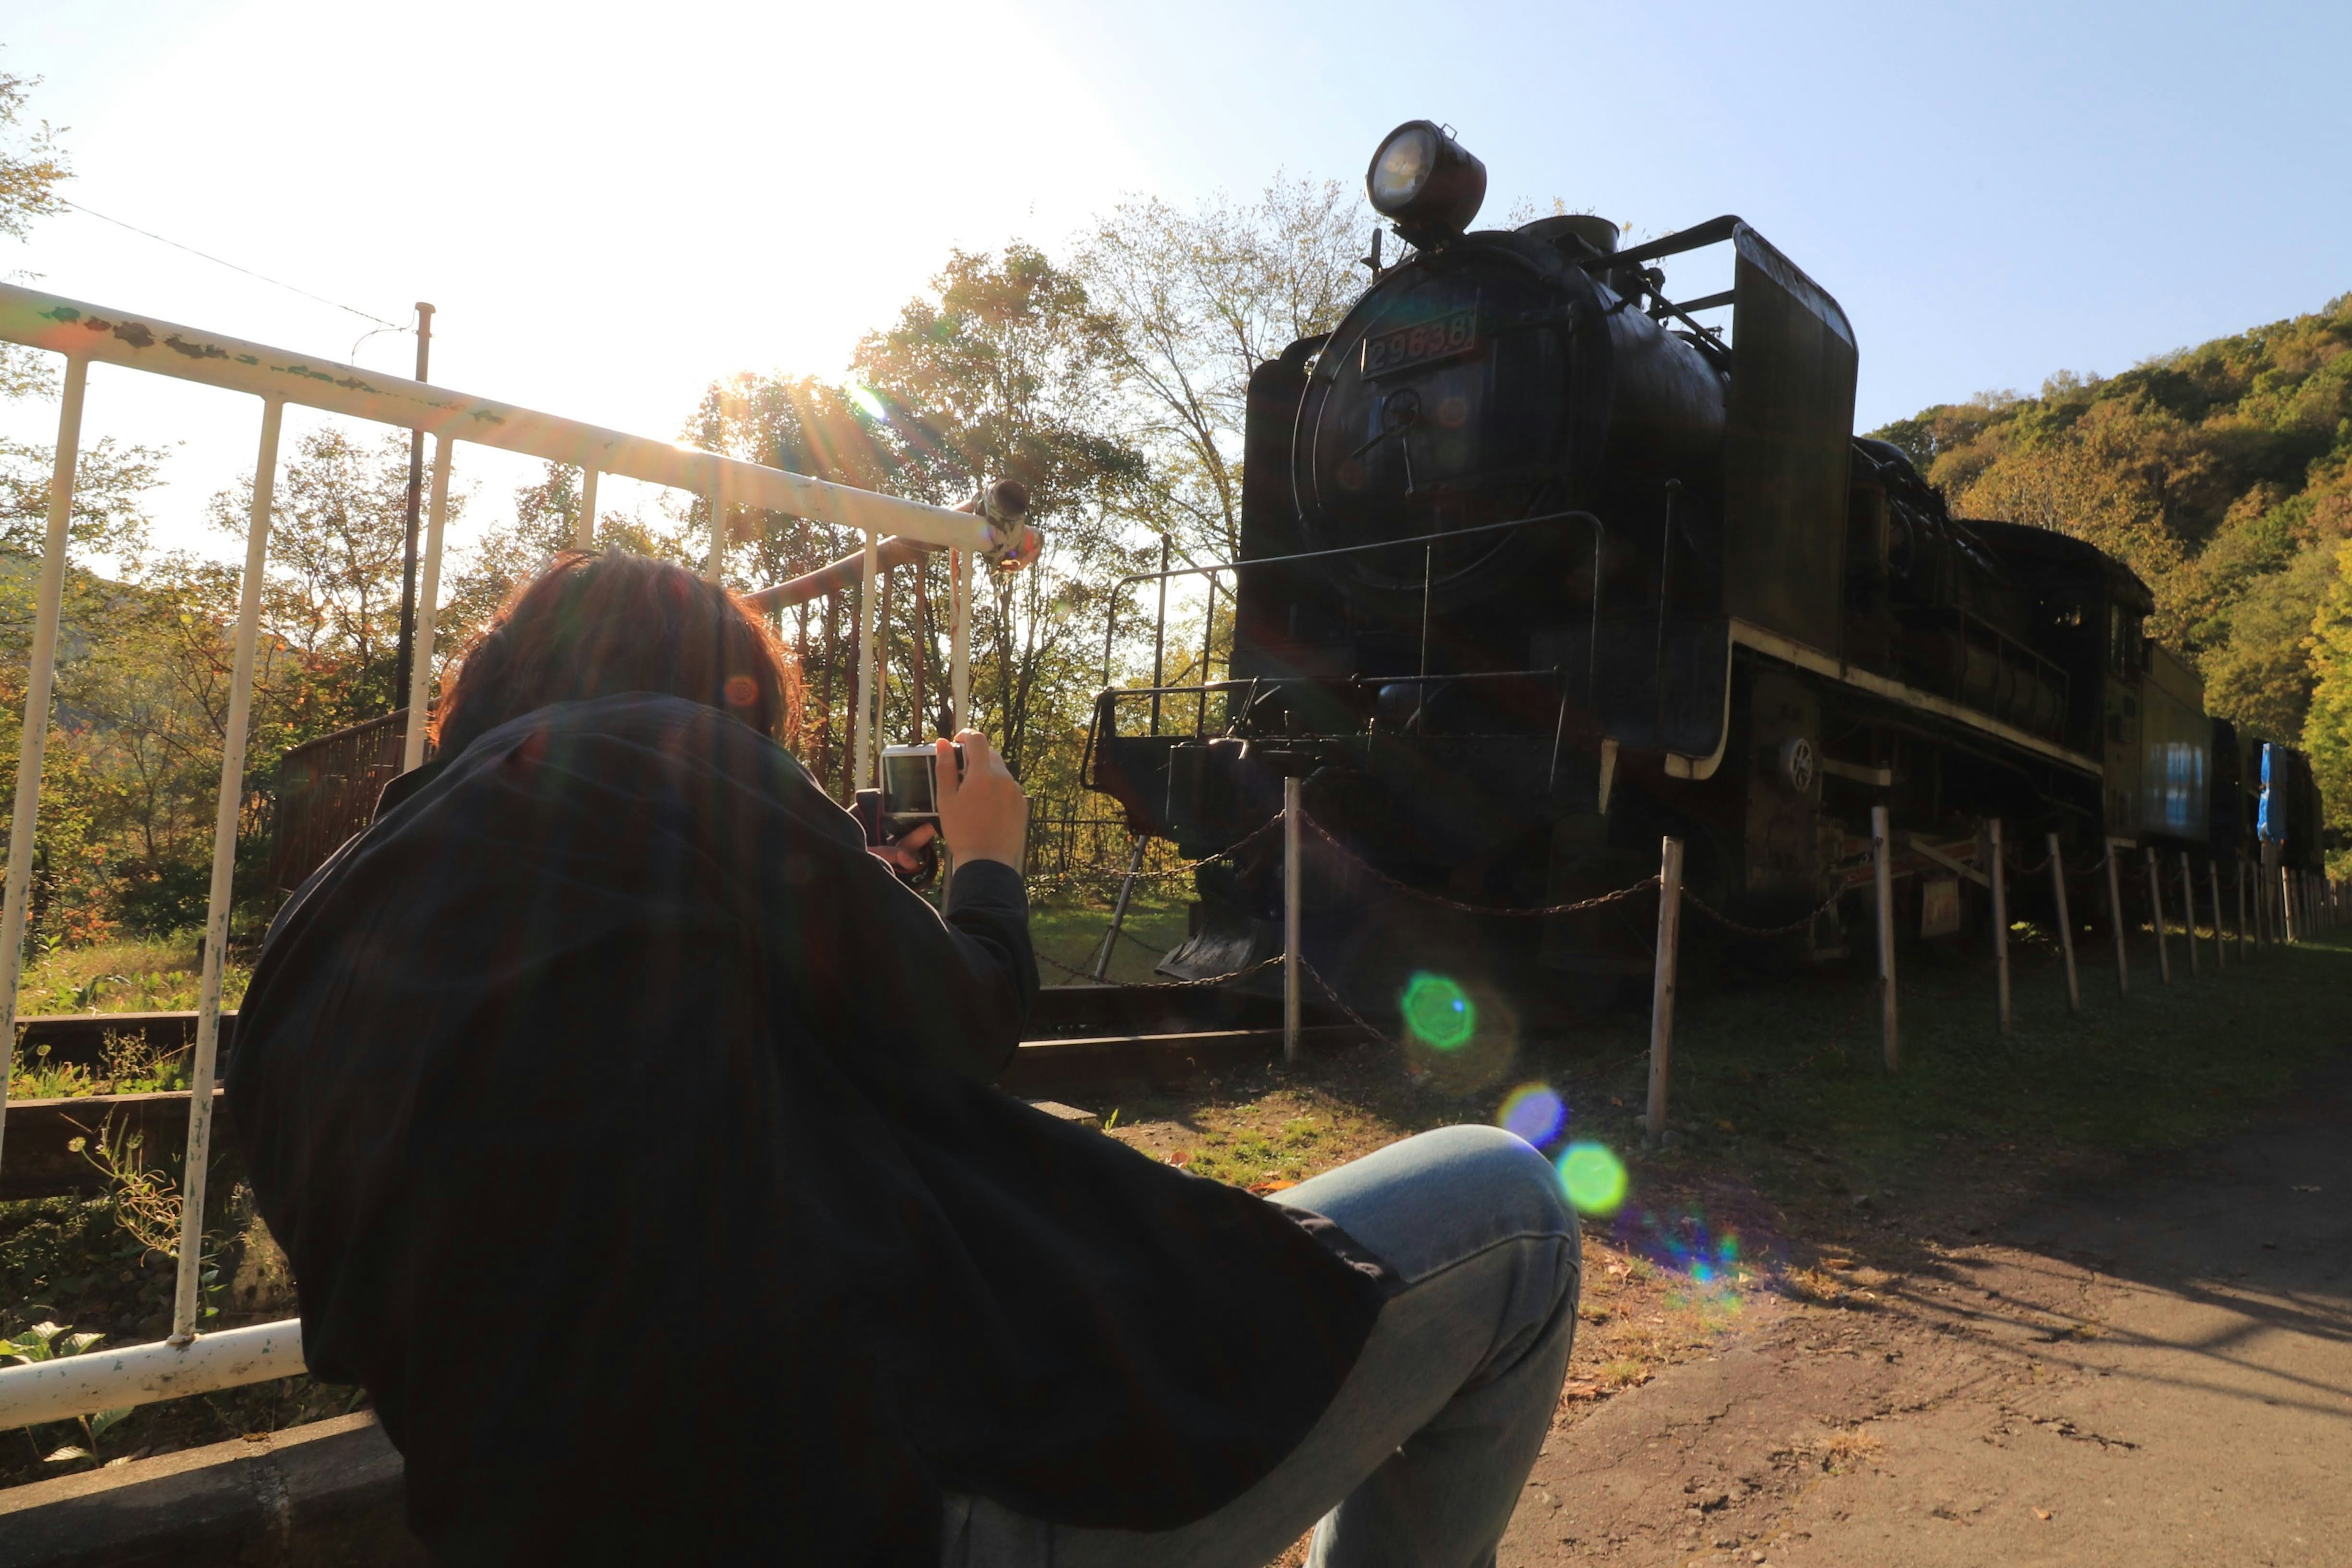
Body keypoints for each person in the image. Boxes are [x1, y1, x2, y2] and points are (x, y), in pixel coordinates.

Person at [229, 552, 1580, 1568]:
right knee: (1516, 1216)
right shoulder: (676, 747)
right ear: (727, 693)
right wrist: (987, 859)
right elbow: (969, 1018)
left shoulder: (313, 933)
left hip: (515, 1526)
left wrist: (835, 890)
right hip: (859, 1514)